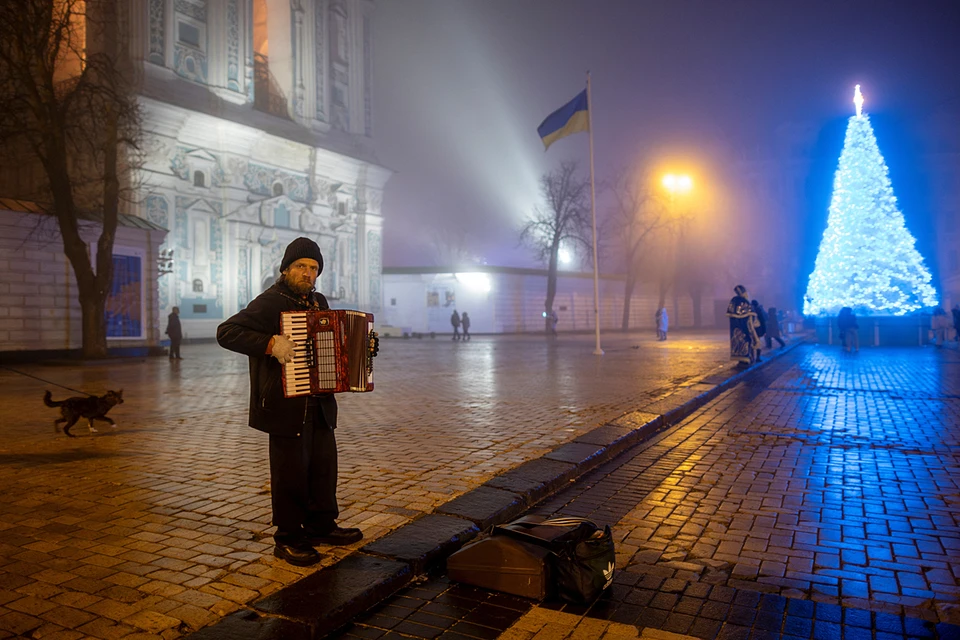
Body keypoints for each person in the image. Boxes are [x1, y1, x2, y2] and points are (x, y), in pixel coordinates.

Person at [217, 237, 372, 567]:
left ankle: (321, 525)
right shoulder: (270, 302)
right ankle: (287, 538)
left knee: (323, 468)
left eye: (313, 268)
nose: (307, 273)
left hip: (319, 402)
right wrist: (270, 343)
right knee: (290, 473)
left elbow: (336, 344)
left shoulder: (319, 301)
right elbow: (227, 332)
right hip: (285, 406)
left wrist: (362, 350)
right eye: (301, 266)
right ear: (286, 269)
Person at [726, 285, 760, 368]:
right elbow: (750, 322)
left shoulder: (733, 301)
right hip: (745, 329)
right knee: (746, 342)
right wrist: (755, 337)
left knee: (737, 342)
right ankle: (747, 359)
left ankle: (740, 360)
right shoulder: (745, 302)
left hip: (735, 330)